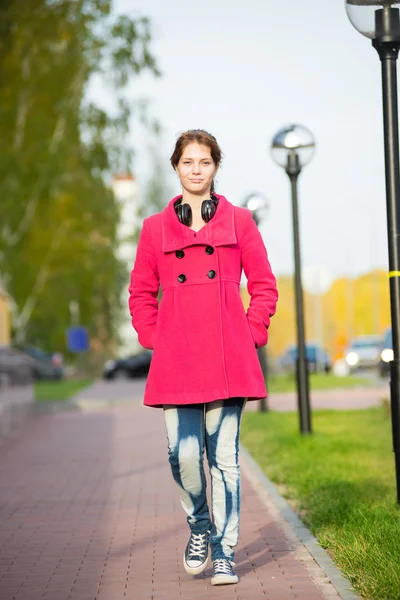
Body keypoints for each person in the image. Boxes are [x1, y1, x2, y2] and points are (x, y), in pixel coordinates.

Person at [128, 129, 278, 586]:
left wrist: (249, 332)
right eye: (188, 162)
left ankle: (225, 551)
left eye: (205, 162)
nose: (197, 170)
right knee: (185, 455)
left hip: (228, 358)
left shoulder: (239, 222)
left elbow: (264, 284)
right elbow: (139, 292)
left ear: (216, 167)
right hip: (178, 360)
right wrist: (156, 337)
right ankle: (198, 525)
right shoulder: (155, 228)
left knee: (226, 460)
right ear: (176, 167)